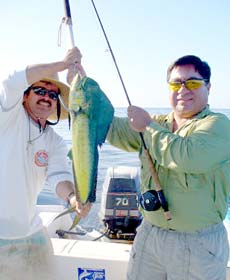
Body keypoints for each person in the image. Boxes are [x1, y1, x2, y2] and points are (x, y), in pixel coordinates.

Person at [105, 55, 230, 279]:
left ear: (208, 87)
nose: (183, 89)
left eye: (192, 83)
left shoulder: (218, 125)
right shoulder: (157, 123)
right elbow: (111, 128)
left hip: (199, 243)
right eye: (175, 83)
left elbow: (188, 156)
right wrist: (77, 94)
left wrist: (148, 127)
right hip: (149, 235)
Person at [0, 47, 91, 280]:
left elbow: (59, 176)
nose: (46, 97)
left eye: (53, 95)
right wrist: (62, 65)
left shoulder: (55, 141)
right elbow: (12, 80)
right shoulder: (7, 116)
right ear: (25, 95)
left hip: (31, 233)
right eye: (40, 90)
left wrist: (73, 198)